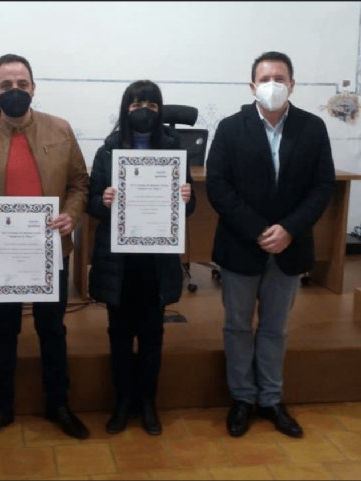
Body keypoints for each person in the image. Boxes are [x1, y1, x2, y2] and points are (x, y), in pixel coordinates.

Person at [0, 53, 90, 445]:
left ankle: (58, 404)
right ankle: (0, 408)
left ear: (33, 87)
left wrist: (71, 215)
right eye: (7, 85)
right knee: (3, 330)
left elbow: (80, 183)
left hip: (50, 250)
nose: (15, 90)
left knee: (52, 329)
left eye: (22, 84)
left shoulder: (60, 129)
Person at [206, 51, 335, 438]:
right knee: (237, 326)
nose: (272, 85)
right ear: (252, 86)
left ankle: (271, 399)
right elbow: (218, 185)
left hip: (290, 247)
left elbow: (322, 186)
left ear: (292, 84)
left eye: (280, 78)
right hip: (241, 245)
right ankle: (242, 398)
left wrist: (289, 229)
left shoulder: (312, 128)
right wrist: (259, 230)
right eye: (265, 79)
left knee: (275, 328)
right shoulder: (231, 128)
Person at [87, 80, 196, 435]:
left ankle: (148, 403)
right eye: (136, 104)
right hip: (119, 262)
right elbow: (91, 203)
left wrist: (186, 196)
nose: (143, 110)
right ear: (125, 109)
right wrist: (103, 200)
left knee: (152, 335)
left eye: (150, 105)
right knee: (119, 335)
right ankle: (122, 403)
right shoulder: (108, 151)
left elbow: (190, 206)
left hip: (156, 261)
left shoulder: (174, 149)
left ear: (160, 110)